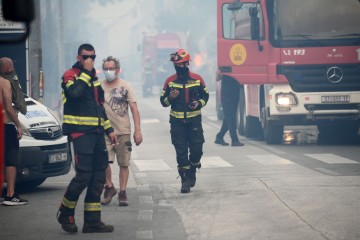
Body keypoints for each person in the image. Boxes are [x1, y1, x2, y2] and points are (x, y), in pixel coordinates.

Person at [56, 43, 118, 234]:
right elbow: (75, 94)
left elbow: (100, 108)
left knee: (99, 176)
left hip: (97, 134)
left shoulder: (94, 80)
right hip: (80, 133)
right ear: (78, 58)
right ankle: (65, 212)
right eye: (85, 57)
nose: (89, 60)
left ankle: (92, 222)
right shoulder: (70, 75)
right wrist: (85, 73)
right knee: (83, 176)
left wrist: (109, 130)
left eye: (92, 56)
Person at [160, 48, 209, 194]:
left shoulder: (197, 79)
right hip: (177, 123)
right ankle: (184, 181)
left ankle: (193, 168)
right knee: (181, 153)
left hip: (194, 122)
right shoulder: (170, 81)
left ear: (187, 63)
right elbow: (163, 101)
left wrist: (198, 103)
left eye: (181, 64)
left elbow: (205, 96)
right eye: (176, 64)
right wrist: (171, 98)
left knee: (197, 150)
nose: (178, 67)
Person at [100, 56, 143, 206]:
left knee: (124, 163)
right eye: (106, 68)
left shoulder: (126, 86)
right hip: (105, 131)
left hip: (123, 131)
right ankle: (109, 186)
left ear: (118, 70)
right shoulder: (99, 87)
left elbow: (134, 109)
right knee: (103, 161)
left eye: (111, 68)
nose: (108, 71)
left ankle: (123, 192)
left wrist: (137, 131)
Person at [0, 57, 27, 206]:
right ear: (7, 68)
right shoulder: (5, 83)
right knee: (10, 160)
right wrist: (18, 125)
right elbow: (8, 108)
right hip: (5, 125)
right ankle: (10, 195)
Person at [214, 76, 244, 147]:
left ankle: (219, 137)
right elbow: (217, 78)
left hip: (235, 92)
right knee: (230, 117)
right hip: (227, 94)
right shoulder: (224, 67)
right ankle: (234, 140)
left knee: (229, 117)